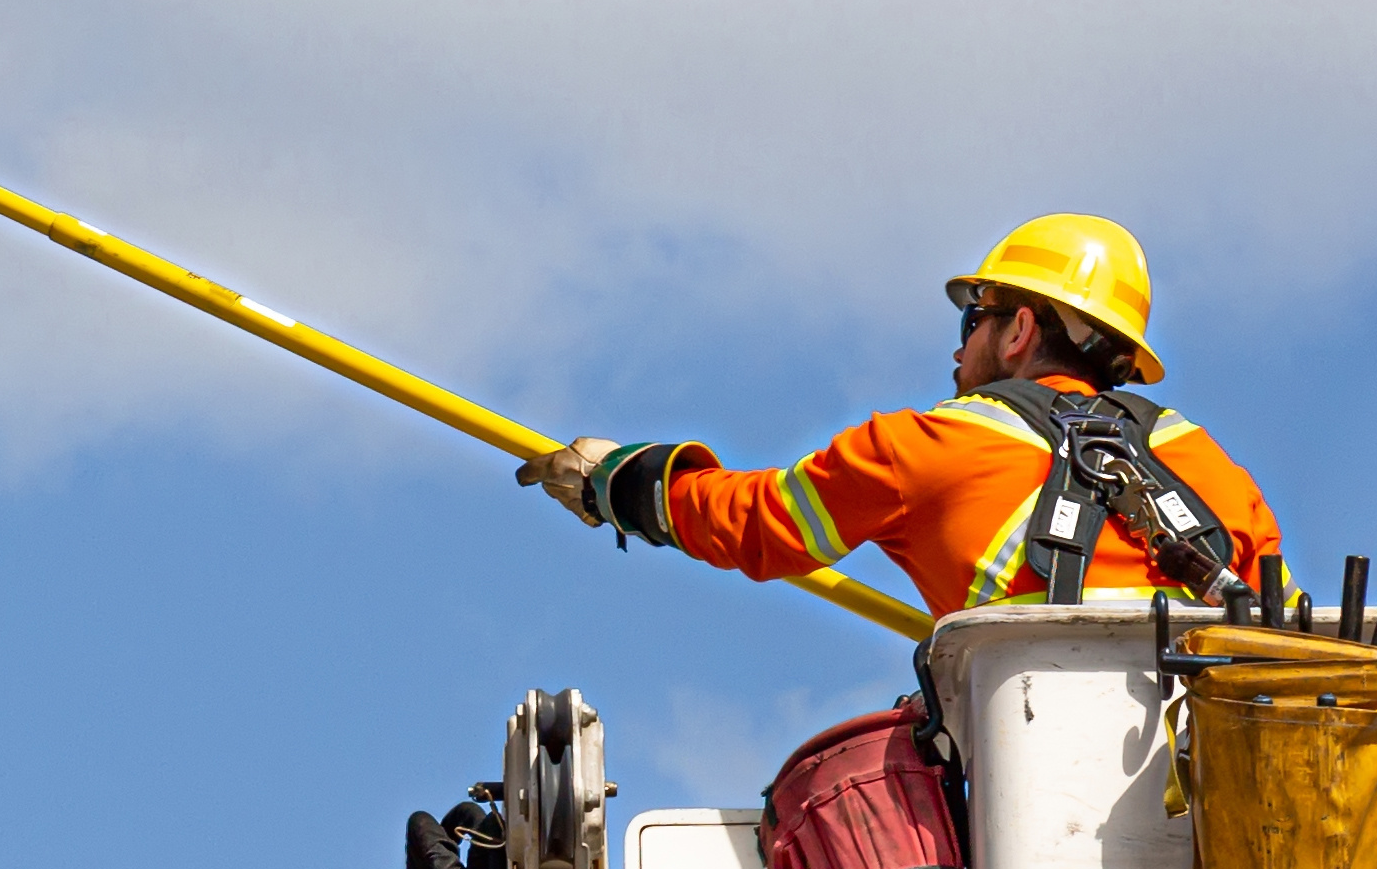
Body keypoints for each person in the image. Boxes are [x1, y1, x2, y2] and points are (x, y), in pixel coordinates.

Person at [519, 213, 1287, 621]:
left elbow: (757, 521)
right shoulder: (1217, 473)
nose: (957, 352)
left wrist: (617, 481)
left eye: (972, 322)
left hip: (1034, 796)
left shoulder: (924, 449)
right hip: (1214, 808)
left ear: (1018, 330)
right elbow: (1282, 638)